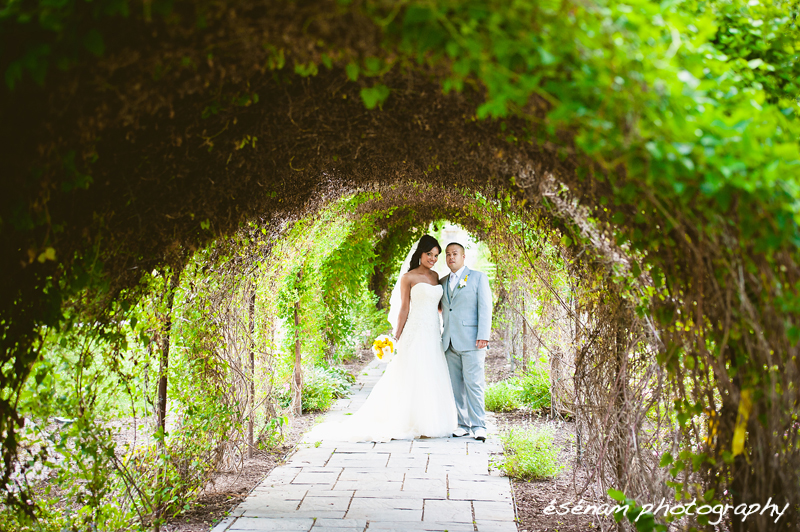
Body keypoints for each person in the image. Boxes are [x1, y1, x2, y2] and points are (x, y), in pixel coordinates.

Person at [314, 235, 457, 441]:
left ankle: (429, 421)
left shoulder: (436, 277)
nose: (433, 259)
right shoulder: (408, 277)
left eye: (436, 256)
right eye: (429, 254)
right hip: (414, 331)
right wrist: (396, 336)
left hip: (433, 332)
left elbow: (440, 307)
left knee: (430, 372)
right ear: (420, 253)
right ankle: (407, 420)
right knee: (410, 373)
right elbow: (404, 308)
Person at [440, 242, 492, 441]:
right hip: (450, 341)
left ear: (463, 256)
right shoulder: (443, 281)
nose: (451, 257)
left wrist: (483, 335)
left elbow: (485, 307)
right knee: (456, 386)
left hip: (472, 340)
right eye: (448, 254)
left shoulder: (478, 278)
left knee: (474, 384)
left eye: (455, 254)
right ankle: (462, 424)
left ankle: (479, 425)